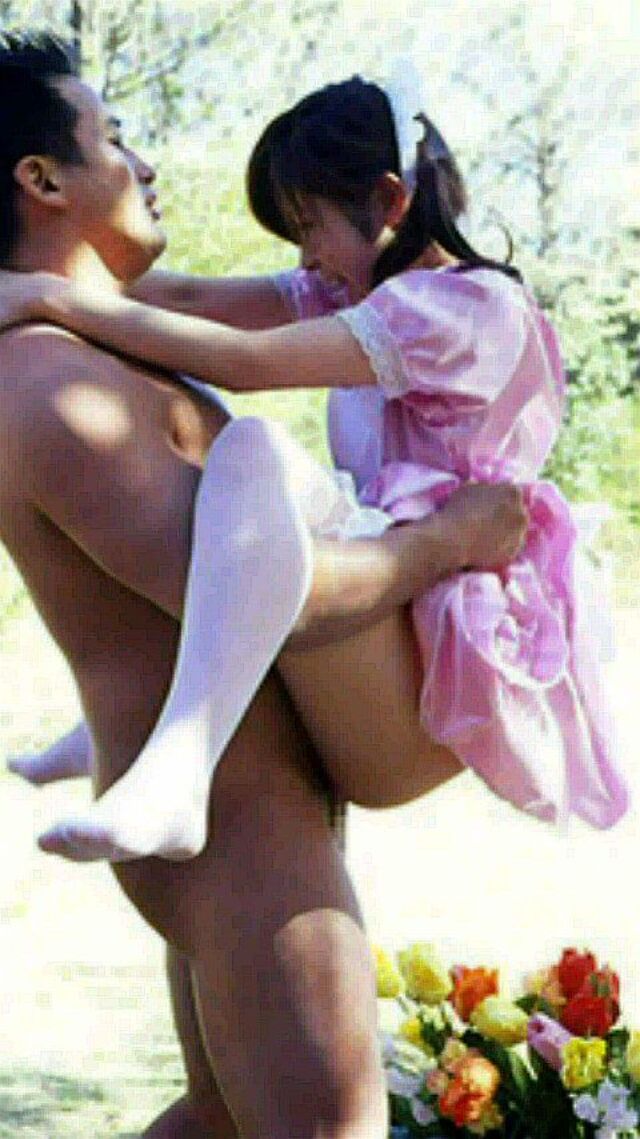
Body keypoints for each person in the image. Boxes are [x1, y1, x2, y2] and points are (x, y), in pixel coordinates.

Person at [0, 32, 528, 1139]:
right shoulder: (52, 385)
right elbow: (275, 599)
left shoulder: (82, 351)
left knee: (222, 1119)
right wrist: (451, 540)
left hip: (242, 816)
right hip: (240, 833)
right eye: (114, 138)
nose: (144, 163)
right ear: (41, 179)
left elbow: (214, 311)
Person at [3, 73, 628, 866]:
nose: (306, 257)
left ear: (390, 200)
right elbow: (189, 299)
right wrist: (38, 274)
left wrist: (48, 301)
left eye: (310, 226)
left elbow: (245, 362)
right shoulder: (362, 286)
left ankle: (180, 763)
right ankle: (140, 724)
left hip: (442, 606)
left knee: (254, 450)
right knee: (252, 476)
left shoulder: (463, 309)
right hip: (386, 544)